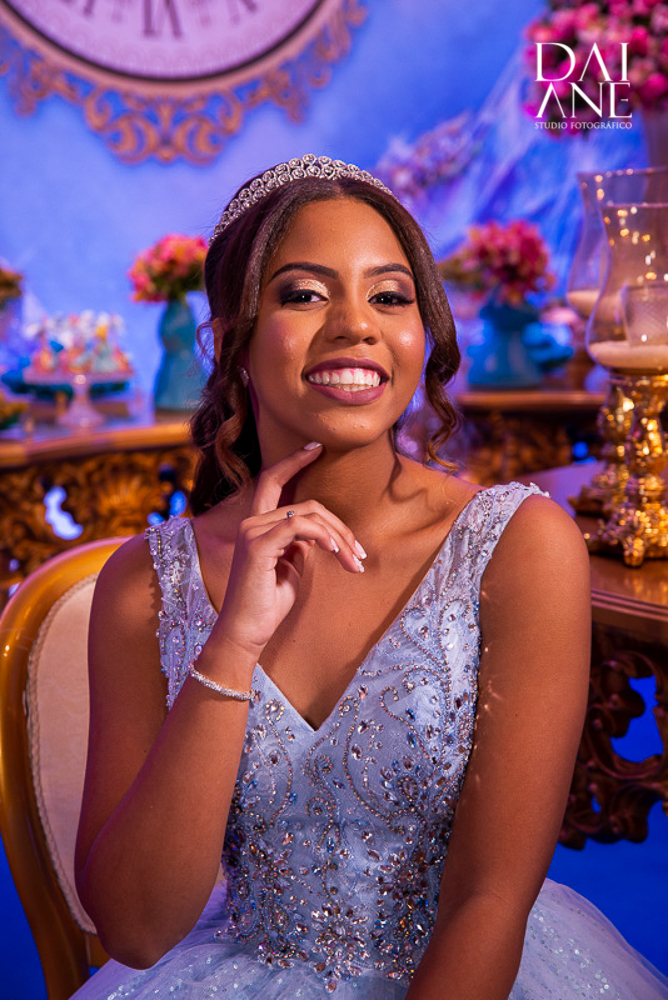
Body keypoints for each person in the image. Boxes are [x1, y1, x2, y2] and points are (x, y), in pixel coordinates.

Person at [72, 155, 668, 1000]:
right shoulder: (144, 584)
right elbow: (134, 929)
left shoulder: (519, 546)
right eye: (304, 294)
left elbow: (490, 899)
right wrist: (232, 643)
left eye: (389, 296)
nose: (355, 325)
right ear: (232, 339)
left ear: (424, 334)